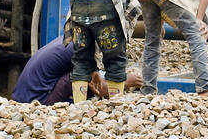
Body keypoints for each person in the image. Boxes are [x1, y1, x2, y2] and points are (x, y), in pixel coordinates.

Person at [66, 0, 141, 104]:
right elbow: (133, 11)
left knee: (81, 60)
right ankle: (116, 107)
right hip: (104, 1)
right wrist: (124, 36)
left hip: (78, 2)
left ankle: (78, 107)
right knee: (114, 60)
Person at [12, 36, 141, 104]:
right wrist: (128, 81)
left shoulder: (72, 40)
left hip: (21, 98)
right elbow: (98, 86)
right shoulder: (80, 50)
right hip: (36, 102)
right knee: (79, 77)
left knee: (83, 75)